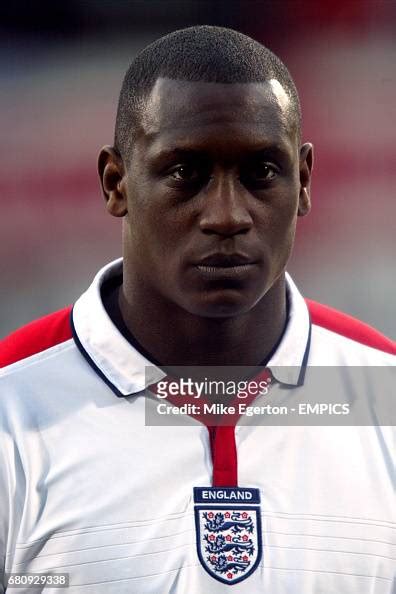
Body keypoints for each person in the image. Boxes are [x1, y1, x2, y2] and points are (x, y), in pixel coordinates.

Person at [0, 26, 394, 594]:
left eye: (261, 172)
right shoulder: (15, 409)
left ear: (304, 181)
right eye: (186, 172)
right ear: (116, 182)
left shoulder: (384, 396)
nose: (227, 215)